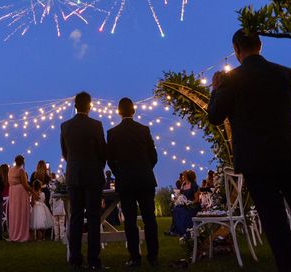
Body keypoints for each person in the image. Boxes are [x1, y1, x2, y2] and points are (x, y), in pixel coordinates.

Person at [208, 29, 291, 272]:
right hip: (289, 156)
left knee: (276, 225)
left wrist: (215, 89)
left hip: (256, 162)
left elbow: (215, 116)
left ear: (236, 50)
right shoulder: (284, 73)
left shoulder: (230, 80)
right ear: (260, 45)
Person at [106, 97, 159, 267]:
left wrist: (120, 173)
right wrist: (145, 169)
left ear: (119, 112)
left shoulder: (113, 133)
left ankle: (135, 257)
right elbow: (153, 156)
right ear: (133, 111)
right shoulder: (144, 130)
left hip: (126, 182)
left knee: (129, 220)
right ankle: (153, 256)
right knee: (149, 218)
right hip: (145, 179)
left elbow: (110, 160)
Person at [60, 91, 106, 270]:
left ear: (75, 106)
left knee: (76, 218)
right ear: (90, 106)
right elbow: (103, 151)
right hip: (93, 175)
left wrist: (74, 166)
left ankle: (75, 259)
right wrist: (98, 166)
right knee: (94, 218)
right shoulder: (96, 125)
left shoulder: (65, 126)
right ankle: (94, 260)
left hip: (74, 175)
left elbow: (65, 153)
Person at [7, 155, 31, 242]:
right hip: (20, 192)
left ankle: (14, 234)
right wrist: (34, 192)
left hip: (12, 192)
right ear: (22, 162)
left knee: (14, 213)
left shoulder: (10, 170)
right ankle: (22, 234)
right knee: (21, 212)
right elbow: (25, 184)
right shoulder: (21, 170)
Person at [169, 170, 199, 236]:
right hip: (184, 204)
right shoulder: (184, 185)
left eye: (184, 176)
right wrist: (176, 199)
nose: (182, 177)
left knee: (183, 211)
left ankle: (185, 231)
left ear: (187, 177)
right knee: (176, 209)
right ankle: (176, 230)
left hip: (192, 205)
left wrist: (190, 202)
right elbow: (181, 195)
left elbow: (197, 199)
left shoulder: (194, 185)